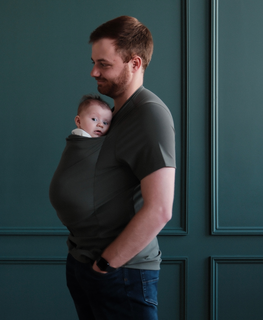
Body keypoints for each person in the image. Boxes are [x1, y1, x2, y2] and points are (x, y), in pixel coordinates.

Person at [49, 16, 176, 320]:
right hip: (87, 259)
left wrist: (105, 265)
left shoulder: (149, 114)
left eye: (104, 64)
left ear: (134, 63)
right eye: (94, 62)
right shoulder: (112, 114)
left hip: (120, 272)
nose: (94, 72)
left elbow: (160, 209)